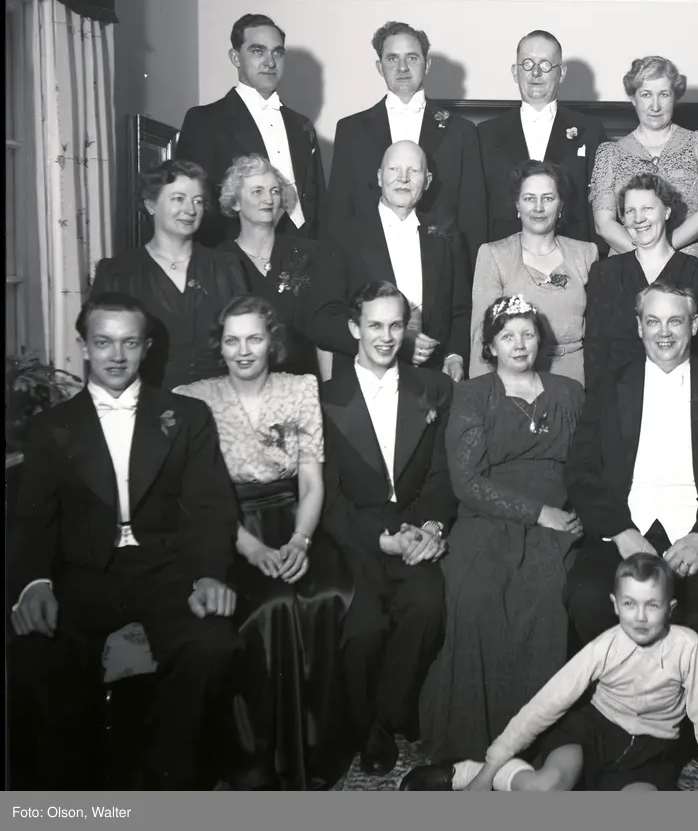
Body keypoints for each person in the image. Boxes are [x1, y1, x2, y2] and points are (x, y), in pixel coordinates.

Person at [7, 292, 240, 790]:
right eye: (103, 342)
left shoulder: (187, 415)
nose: (116, 356)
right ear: (83, 347)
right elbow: (33, 520)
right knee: (37, 651)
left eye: (129, 343)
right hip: (83, 573)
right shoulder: (51, 428)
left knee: (211, 644)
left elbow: (210, 506)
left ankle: (167, 786)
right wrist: (34, 584)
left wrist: (207, 574)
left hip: (166, 569)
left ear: (146, 347)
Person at [564, 281, 698, 773]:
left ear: (694, 326)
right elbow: (581, 471)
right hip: (626, 528)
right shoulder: (609, 387)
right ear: (638, 327)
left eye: (675, 321)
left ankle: (697, 735)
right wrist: (620, 531)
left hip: (697, 529)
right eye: (653, 321)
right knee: (586, 598)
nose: (664, 332)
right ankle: (612, 729)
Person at [174, 295, 354, 790]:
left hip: (294, 518)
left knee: (325, 594)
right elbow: (199, 497)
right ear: (219, 345)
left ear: (272, 342)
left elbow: (311, 481)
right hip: (227, 527)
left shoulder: (300, 388)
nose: (243, 350)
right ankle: (259, 762)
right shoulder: (195, 398)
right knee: (271, 606)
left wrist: (301, 540)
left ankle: (316, 751)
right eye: (232, 340)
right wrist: (250, 549)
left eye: (254, 338)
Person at [402, 554, 698, 791]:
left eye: (652, 605)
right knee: (545, 787)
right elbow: (548, 702)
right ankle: (465, 771)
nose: (640, 617)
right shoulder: (606, 645)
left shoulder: (688, 647)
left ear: (671, 609)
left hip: (652, 751)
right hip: (593, 731)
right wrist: (488, 770)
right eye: (630, 604)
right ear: (615, 604)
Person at [420, 295, 587, 762]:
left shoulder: (569, 392)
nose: (519, 344)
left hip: (559, 517)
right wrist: (537, 513)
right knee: (477, 592)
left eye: (528, 334)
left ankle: (537, 741)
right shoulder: (474, 394)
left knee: (548, 594)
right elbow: (466, 481)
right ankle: (474, 741)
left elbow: (588, 465)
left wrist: (573, 513)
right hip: (488, 515)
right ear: (490, 346)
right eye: (507, 336)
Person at [319, 280, 456, 776]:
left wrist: (431, 528)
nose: (385, 336)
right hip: (353, 536)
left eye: (396, 325)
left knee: (427, 605)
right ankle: (366, 726)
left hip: (413, 528)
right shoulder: (324, 397)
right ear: (354, 327)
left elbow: (442, 474)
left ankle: (387, 718)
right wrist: (379, 540)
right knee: (364, 625)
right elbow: (326, 497)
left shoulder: (433, 388)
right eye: (374, 325)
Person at [306, 140, 470, 382]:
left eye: (413, 171)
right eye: (394, 169)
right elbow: (323, 320)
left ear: (427, 181)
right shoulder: (343, 236)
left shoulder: (447, 235)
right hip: (362, 380)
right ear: (380, 177)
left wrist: (454, 357)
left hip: (432, 381)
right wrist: (397, 342)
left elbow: (461, 310)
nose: (403, 178)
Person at [325, 21, 486, 261]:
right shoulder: (351, 130)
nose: (402, 68)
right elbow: (338, 214)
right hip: (369, 263)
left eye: (411, 58)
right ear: (380, 67)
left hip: (442, 265)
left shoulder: (461, 131)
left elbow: (473, 217)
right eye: (392, 59)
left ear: (426, 64)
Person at [91, 159, 249, 391]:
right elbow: (103, 356)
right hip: (149, 402)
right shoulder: (118, 273)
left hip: (221, 399)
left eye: (198, 201)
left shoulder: (225, 267)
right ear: (151, 204)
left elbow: (247, 343)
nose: (190, 210)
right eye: (178, 199)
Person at [176, 14, 324, 246]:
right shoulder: (205, 120)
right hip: (235, 255)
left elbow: (318, 202)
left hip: (305, 252)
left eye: (277, 52)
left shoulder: (302, 125)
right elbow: (194, 202)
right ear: (235, 57)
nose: (270, 62)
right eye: (258, 51)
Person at [583, 174, 698, 391]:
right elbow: (595, 351)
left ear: (666, 212)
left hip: (682, 392)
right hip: (618, 396)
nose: (638, 218)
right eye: (630, 211)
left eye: (647, 208)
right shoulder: (604, 273)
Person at [470, 161, 599, 385]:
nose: (538, 208)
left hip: (577, 379)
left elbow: (600, 334)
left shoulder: (586, 254)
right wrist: (482, 393)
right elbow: (481, 334)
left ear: (561, 205)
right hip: (513, 381)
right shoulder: (494, 255)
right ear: (517, 205)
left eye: (548, 198)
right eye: (529, 198)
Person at [477, 30, 607, 253]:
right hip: (505, 255)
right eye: (527, 64)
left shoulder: (590, 131)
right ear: (515, 72)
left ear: (561, 73)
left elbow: (597, 208)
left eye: (545, 65)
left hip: (572, 255)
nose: (535, 73)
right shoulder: (486, 133)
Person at [590, 56, 698, 260]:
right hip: (627, 261)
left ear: (674, 97)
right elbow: (604, 223)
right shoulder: (610, 154)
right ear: (633, 98)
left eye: (663, 95)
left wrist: (664, 252)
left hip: (686, 260)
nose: (655, 106)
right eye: (646, 95)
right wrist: (643, 257)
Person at [215, 155, 322, 377]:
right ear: (235, 202)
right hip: (242, 382)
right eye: (257, 191)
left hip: (303, 382)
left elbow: (324, 333)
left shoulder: (308, 254)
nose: (269, 199)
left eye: (274, 191)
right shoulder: (218, 260)